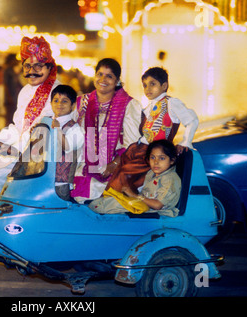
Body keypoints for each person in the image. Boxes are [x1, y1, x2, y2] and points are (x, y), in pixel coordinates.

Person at [0, 36, 60, 203]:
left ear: (49, 66)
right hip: (24, 151)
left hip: (45, 158)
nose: (32, 71)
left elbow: (45, 132)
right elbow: (19, 127)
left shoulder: (58, 92)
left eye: (38, 65)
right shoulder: (26, 90)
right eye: (27, 66)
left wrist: (14, 150)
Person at [107, 66, 199, 194]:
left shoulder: (171, 103)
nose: (147, 89)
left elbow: (192, 120)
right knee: (118, 172)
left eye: (152, 84)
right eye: (144, 85)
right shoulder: (148, 107)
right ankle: (115, 203)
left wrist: (185, 142)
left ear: (164, 85)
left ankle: (122, 204)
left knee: (125, 174)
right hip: (138, 150)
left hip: (154, 153)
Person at [70, 58, 143, 203]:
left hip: (113, 169)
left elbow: (132, 144)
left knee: (99, 208)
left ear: (117, 81)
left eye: (109, 76)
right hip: (81, 166)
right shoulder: (81, 102)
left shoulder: (129, 105)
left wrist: (114, 164)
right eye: (100, 74)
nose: (103, 79)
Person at [89, 139, 181, 217]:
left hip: (155, 213)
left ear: (172, 160)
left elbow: (158, 205)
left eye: (161, 158)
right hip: (142, 205)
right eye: (152, 157)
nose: (156, 162)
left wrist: (135, 196)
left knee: (113, 205)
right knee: (111, 199)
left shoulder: (170, 179)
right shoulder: (151, 173)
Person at [49, 85, 84, 201]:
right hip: (43, 178)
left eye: (65, 101)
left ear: (73, 106)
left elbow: (67, 147)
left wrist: (58, 130)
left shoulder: (74, 128)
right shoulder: (46, 121)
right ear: (51, 103)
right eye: (56, 100)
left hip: (61, 183)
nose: (59, 104)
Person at [3, 54, 23, 125]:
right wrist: (9, 97)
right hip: (10, 96)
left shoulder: (13, 70)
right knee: (9, 114)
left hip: (14, 95)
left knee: (13, 113)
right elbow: (5, 85)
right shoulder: (7, 70)